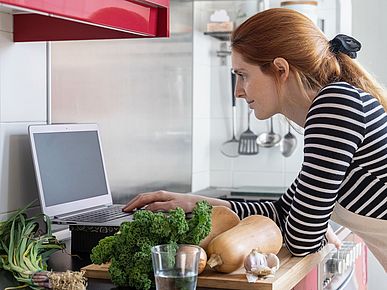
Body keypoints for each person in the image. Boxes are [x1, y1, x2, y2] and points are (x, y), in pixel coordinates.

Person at [123, 8, 387, 271]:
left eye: (243, 75)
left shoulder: (335, 106)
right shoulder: (337, 105)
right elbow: (283, 213)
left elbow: (300, 238)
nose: (238, 91)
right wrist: (197, 203)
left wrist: (308, 226)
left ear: (280, 69)